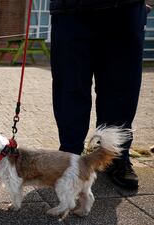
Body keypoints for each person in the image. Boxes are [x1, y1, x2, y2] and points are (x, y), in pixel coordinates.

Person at [49, 0, 147, 190]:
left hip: (126, 9)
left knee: (121, 88)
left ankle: (115, 157)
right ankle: (70, 156)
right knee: (69, 87)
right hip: (69, 11)